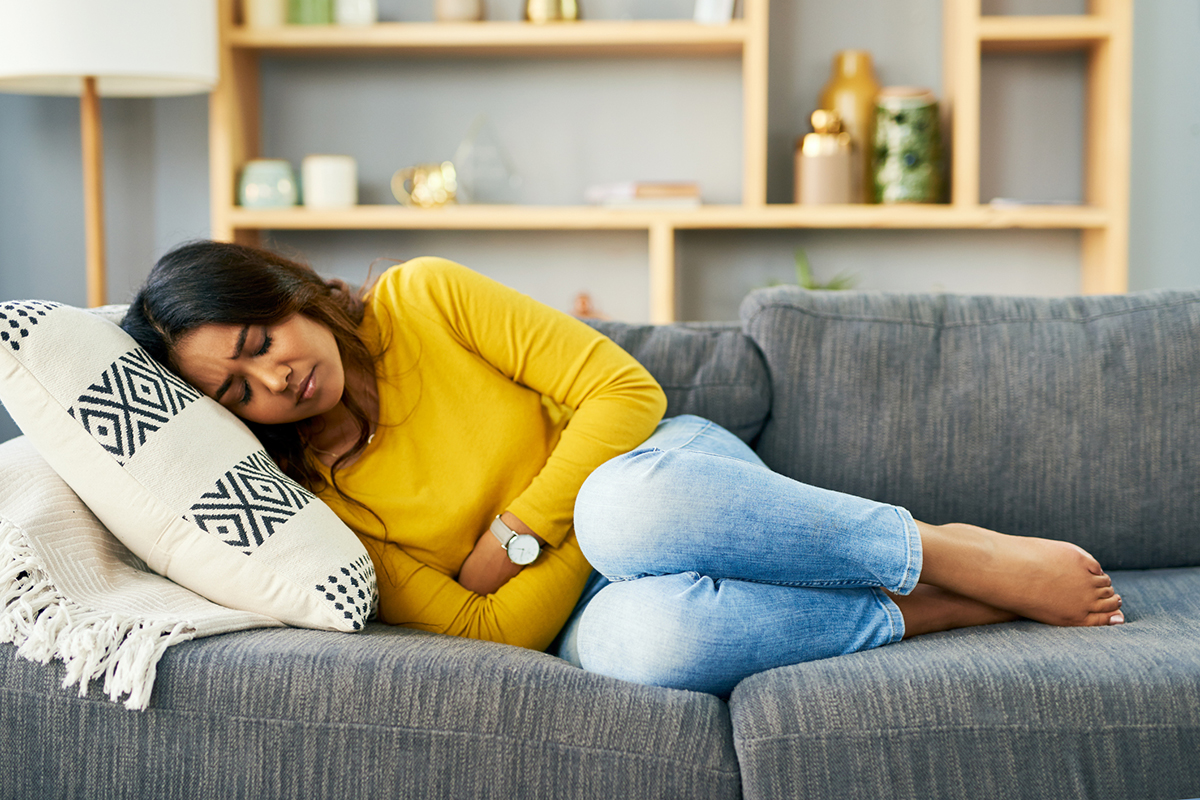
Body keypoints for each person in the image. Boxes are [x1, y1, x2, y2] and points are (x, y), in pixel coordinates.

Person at [122, 241, 1125, 697]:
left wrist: (516, 532)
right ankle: (932, 607)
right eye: (238, 391)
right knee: (656, 646)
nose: (275, 375)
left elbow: (626, 397)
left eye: (259, 335)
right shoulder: (316, 501)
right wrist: (556, 547)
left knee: (624, 512)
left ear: (286, 288)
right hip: (588, 608)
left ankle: (933, 546)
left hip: (670, 484)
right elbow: (491, 629)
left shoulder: (423, 298)